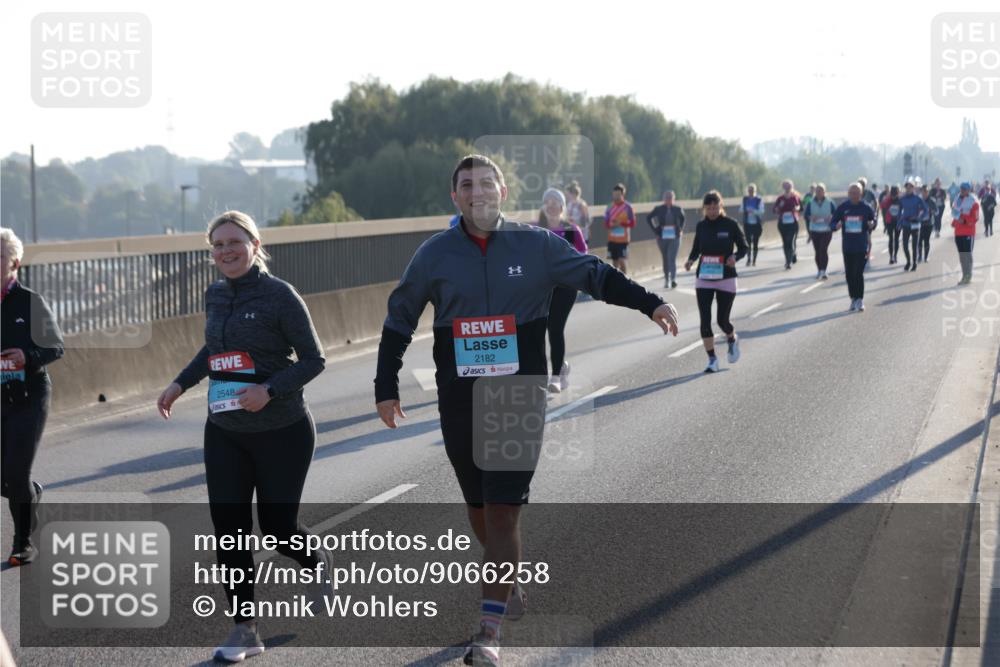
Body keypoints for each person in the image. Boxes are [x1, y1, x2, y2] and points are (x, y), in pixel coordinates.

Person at [374, 155, 679, 667]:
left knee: (503, 507)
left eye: (485, 183)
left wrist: (649, 301)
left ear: (504, 190)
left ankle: (488, 630)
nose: (477, 192)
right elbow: (399, 319)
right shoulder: (434, 254)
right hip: (459, 394)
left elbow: (595, 275)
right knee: (478, 504)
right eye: (466, 185)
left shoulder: (536, 245)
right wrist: (386, 384)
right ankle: (505, 580)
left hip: (517, 392)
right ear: (456, 197)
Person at [156, 211, 333, 663]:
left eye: (234, 242)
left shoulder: (280, 296)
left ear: (255, 244)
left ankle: (315, 562)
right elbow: (213, 351)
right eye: (217, 245)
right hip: (226, 431)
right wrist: (179, 384)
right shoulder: (215, 294)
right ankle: (244, 629)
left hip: (283, 430)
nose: (226, 251)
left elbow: (314, 359)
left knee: (276, 530)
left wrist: (269, 389)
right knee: (229, 532)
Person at [1, 228, 64, 566]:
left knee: (15, 472)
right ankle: (31, 494)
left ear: (15, 264)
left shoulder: (29, 302)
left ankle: (22, 542)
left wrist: (26, 356)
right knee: (8, 480)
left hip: (28, 395)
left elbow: (55, 346)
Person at [684, 191, 748, 373]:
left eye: (715, 207)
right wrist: (690, 260)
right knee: (705, 321)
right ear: (704, 208)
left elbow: (744, 247)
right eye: (709, 208)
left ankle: (732, 338)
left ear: (721, 206)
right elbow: (697, 248)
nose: (712, 211)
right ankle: (712, 359)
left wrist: (735, 257)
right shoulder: (702, 226)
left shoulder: (730, 225)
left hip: (726, 277)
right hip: (704, 277)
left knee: (722, 320)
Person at [536, 188, 588, 393]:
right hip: (541, 289)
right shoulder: (535, 230)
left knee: (555, 328)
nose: (551, 205)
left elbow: (583, 257)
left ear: (561, 206)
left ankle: (556, 375)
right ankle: (556, 369)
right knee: (537, 330)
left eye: (555, 201)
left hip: (565, 288)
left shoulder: (571, 230)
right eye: (547, 201)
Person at [831, 183, 877, 312]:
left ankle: (860, 299)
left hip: (861, 245)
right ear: (848, 194)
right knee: (849, 274)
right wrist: (836, 226)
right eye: (852, 193)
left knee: (858, 273)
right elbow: (832, 223)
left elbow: (874, 219)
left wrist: (872, 224)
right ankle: (853, 298)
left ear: (861, 194)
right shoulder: (843, 207)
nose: (854, 195)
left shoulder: (866, 207)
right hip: (848, 246)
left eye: (857, 193)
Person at [647, 190, 686, 287]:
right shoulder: (658, 209)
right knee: (665, 258)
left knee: (671, 257)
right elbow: (649, 218)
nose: (668, 200)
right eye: (666, 198)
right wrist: (656, 230)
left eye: (670, 198)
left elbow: (683, 218)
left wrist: (680, 229)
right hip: (662, 237)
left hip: (674, 237)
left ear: (674, 199)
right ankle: (666, 279)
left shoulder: (677, 209)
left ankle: (673, 279)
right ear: (663, 199)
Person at [804, 183, 835, 280]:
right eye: (817, 191)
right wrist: (811, 217)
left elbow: (837, 214)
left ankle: (823, 271)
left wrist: (831, 218)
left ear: (824, 192)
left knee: (823, 249)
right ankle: (819, 270)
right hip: (815, 229)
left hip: (826, 230)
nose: (818, 193)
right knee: (817, 251)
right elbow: (806, 215)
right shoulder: (810, 203)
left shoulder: (830, 202)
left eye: (821, 191)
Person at [951, 182, 980, 285]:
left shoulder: (973, 202)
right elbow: (955, 212)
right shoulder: (957, 199)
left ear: (969, 190)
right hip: (958, 232)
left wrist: (964, 220)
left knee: (967, 254)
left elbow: (975, 217)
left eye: (964, 189)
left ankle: (968, 275)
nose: (962, 190)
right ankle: (964, 274)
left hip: (968, 232)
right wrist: (954, 222)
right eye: (961, 188)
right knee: (962, 255)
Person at [604, 183, 636, 274]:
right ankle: (617, 283)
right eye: (614, 194)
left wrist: (621, 223)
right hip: (612, 239)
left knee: (622, 260)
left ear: (623, 194)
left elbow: (633, 223)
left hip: (623, 240)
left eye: (618, 195)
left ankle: (625, 282)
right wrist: (612, 225)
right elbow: (606, 224)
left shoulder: (628, 207)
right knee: (614, 263)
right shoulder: (609, 207)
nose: (616, 197)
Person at [898, 181, 928, 272]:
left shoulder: (918, 199)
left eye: (910, 187)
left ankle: (914, 263)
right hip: (906, 224)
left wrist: (919, 218)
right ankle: (908, 262)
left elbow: (925, 210)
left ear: (913, 188)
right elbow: (899, 212)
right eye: (907, 187)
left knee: (914, 245)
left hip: (915, 224)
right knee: (905, 245)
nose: (908, 189)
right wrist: (899, 224)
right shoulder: (902, 199)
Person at [773, 180, 801, 269]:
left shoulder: (795, 197)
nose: (787, 188)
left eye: (788, 187)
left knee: (790, 241)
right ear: (783, 188)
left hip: (793, 222)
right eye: (785, 187)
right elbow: (774, 209)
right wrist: (777, 209)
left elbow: (801, 207)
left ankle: (791, 257)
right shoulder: (780, 198)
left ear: (791, 187)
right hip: (783, 223)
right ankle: (787, 260)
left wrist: (797, 208)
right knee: (785, 242)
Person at [740, 184, 764, 266]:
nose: (751, 192)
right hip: (747, 223)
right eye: (749, 190)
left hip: (756, 224)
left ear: (755, 191)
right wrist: (746, 210)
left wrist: (754, 211)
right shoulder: (745, 199)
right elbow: (740, 209)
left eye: (752, 190)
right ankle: (748, 259)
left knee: (755, 243)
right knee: (748, 243)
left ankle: (754, 260)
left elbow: (762, 211)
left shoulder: (759, 199)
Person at [881, 185, 902, 264]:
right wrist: (885, 224)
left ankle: (895, 256)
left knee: (896, 239)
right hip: (889, 222)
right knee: (890, 239)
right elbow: (883, 212)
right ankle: (891, 257)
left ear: (898, 194)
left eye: (895, 195)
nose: (893, 197)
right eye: (892, 195)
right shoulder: (886, 201)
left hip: (897, 222)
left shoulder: (900, 200)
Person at [918, 185, 936, 263]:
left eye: (926, 191)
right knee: (919, 240)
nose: (924, 193)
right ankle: (919, 256)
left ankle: (926, 257)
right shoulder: (919, 200)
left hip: (929, 223)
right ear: (921, 192)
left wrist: (931, 211)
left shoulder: (931, 201)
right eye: (923, 191)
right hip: (920, 223)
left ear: (928, 192)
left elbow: (937, 211)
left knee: (926, 240)